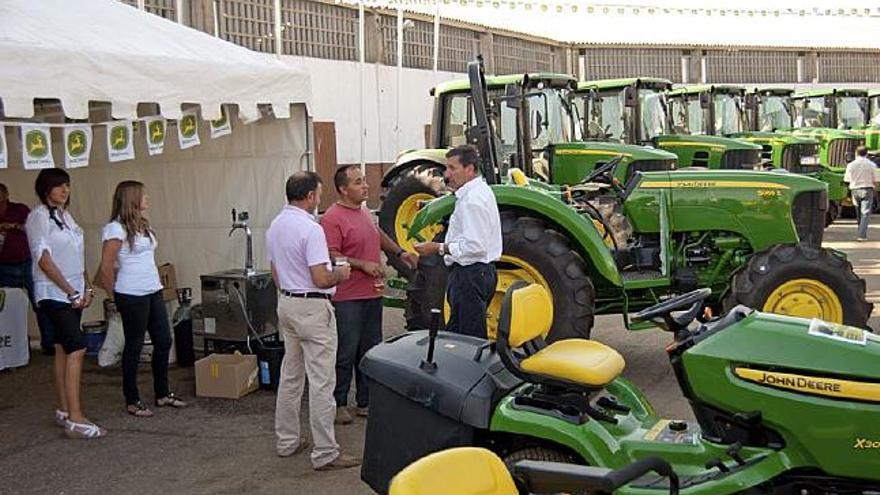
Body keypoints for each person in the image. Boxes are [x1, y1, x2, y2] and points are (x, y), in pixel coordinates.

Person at [267, 171, 360, 471]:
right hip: (312, 307)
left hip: (288, 302)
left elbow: (275, 271)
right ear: (309, 196)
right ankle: (325, 452)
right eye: (319, 194)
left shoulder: (276, 225)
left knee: (291, 376)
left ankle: (287, 440)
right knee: (321, 381)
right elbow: (321, 277)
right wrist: (341, 274)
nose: (320, 199)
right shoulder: (311, 229)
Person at [320, 165, 418, 425]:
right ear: (342, 189)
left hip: (371, 293)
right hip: (348, 296)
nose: (365, 186)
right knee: (346, 351)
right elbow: (332, 255)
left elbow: (377, 235)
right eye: (358, 182)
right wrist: (362, 265)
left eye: (364, 181)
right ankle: (339, 402)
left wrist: (399, 252)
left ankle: (365, 401)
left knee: (370, 349)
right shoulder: (332, 218)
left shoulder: (363, 211)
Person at [25, 168, 105, 439]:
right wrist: (70, 291)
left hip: (72, 290)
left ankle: (64, 408)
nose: (64, 190)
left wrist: (86, 285)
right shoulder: (38, 217)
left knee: (63, 347)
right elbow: (44, 260)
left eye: (67, 186)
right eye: (59, 186)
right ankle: (76, 417)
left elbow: (75, 254)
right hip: (53, 293)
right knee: (77, 347)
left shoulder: (64, 216)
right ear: (46, 188)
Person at [96, 181, 185, 418]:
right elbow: (105, 267)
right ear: (132, 198)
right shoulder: (115, 229)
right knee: (134, 345)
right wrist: (112, 296)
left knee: (164, 340)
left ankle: (163, 393)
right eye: (143, 195)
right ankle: (132, 398)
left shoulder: (142, 225)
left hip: (152, 288)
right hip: (131, 292)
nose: (147, 198)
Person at [414, 145, 502, 338]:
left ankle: (469, 369)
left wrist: (437, 247)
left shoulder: (472, 201)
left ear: (469, 169)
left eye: (452, 168)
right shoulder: (478, 192)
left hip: (470, 275)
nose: (447, 174)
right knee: (459, 336)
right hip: (477, 273)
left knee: (469, 340)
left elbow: (475, 246)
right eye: (447, 168)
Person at [0, 183, 55, 355]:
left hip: (26, 263)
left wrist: (14, 226)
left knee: (40, 304)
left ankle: (49, 343)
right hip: (4, 266)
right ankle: (15, 346)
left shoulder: (20, 209)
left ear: (6, 194)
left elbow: (34, 231)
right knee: (9, 307)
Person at [844, 146, 878, 241]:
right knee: (865, 213)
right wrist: (874, 188)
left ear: (856, 153)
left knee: (858, 212)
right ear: (867, 153)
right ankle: (862, 235)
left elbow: (847, 179)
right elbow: (875, 179)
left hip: (854, 189)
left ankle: (860, 230)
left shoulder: (851, 165)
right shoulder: (871, 165)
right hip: (867, 189)